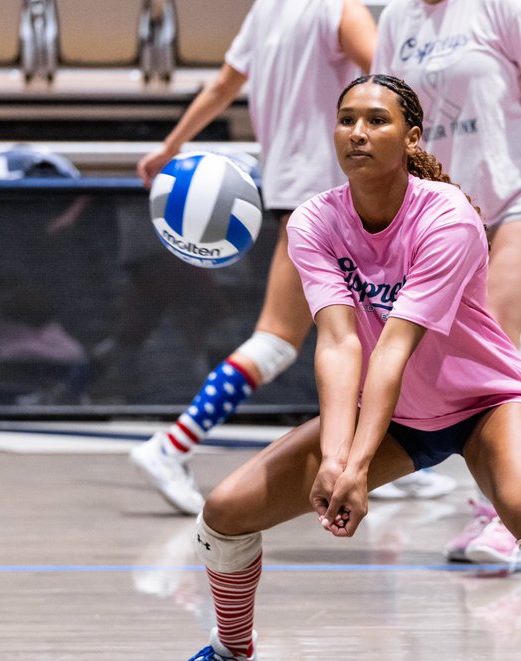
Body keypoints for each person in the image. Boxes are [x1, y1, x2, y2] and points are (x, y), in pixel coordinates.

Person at [151, 75, 521, 661]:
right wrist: (337, 459)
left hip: (484, 400)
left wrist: (353, 466)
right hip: (397, 415)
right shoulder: (314, 221)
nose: (358, 132)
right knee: (225, 513)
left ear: (412, 136)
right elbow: (339, 343)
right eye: (346, 119)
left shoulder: (447, 216)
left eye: (377, 120)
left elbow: (396, 346)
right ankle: (234, 656)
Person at [370, 0, 521, 566]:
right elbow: (382, 115)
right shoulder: (397, 18)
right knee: (452, 362)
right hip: (439, 211)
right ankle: (496, 502)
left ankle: (500, 517)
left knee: (494, 344)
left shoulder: (501, 7)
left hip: (517, 195)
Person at [127, 0, 377, 514]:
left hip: (291, 191)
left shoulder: (266, 11)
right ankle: (170, 447)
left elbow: (223, 86)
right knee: (304, 339)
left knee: (345, 336)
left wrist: (171, 146)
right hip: (338, 191)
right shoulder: (340, 10)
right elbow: (393, 86)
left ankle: (370, 461)